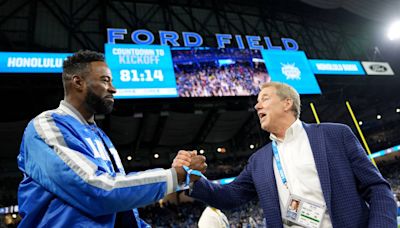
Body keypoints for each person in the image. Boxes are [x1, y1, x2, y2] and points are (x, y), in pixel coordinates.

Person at [16, 50, 207, 227]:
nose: (113, 89)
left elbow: (123, 212)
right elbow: (96, 190)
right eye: (105, 80)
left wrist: (178, 174)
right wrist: (176, 175)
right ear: (78, 82)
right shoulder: (47, 125)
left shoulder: (100, 136)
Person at [174, 82, 397, 227]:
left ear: (287, 103)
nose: (256, 105)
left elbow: (376, 188)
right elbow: (230, 197)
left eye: (264, 98)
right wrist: (193, 178)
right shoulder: (259, 161)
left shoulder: (335, 134)